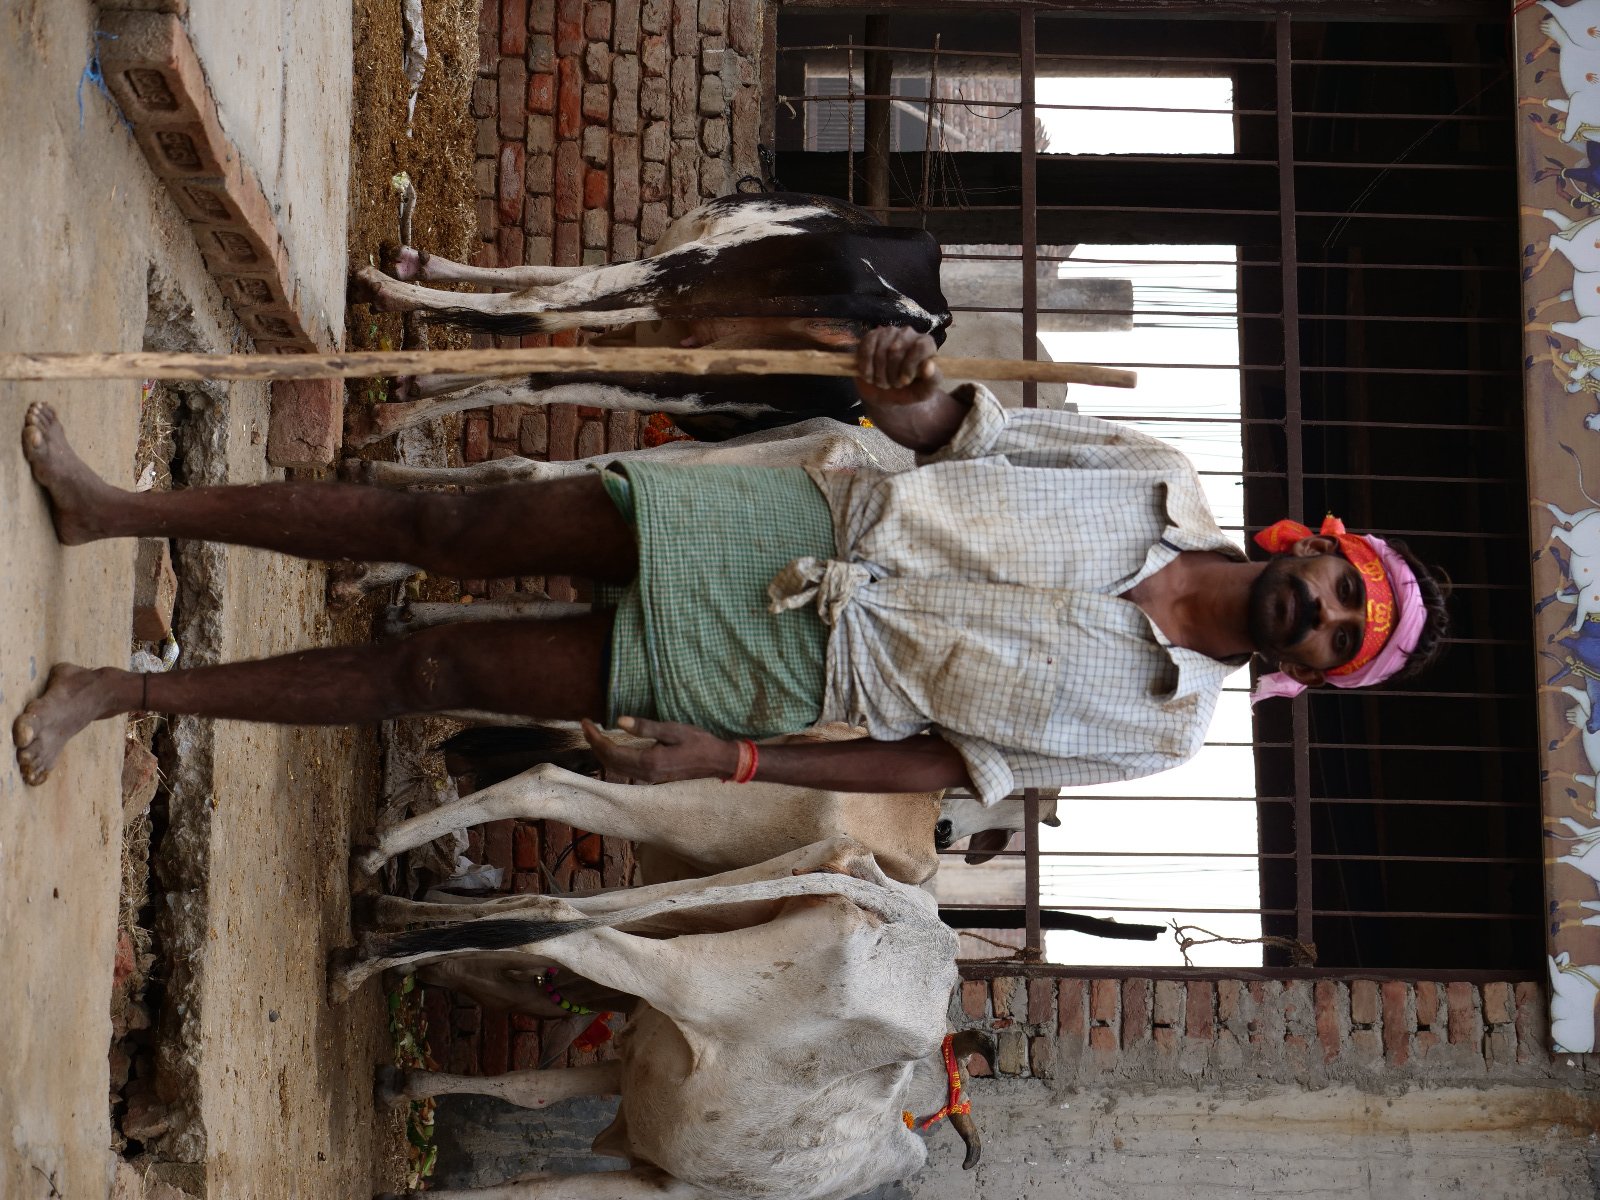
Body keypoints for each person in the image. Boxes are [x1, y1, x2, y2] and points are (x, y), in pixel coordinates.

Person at [13, 327, 1448, 799]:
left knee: (434, 668)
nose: (1316, 613)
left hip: (788, 666)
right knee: (441, 524)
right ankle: (115, 514)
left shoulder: (1155, 732)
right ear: (1307, 544)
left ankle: (117, 697)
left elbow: (945, 773)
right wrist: (900, 390)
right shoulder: (1155, 474)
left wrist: (742, 767)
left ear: (1311, 672)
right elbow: (969, 429)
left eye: (1338, 634)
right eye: (1335, 583)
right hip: (799, 524)